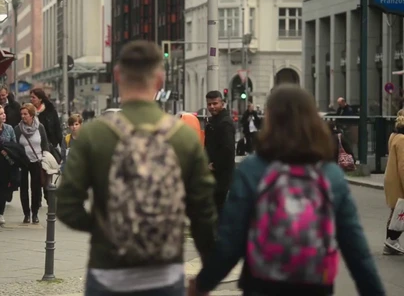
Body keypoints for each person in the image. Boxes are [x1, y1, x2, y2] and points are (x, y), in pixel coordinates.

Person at [191, 85, 385, 296]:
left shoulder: (253, 170)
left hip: (261, 284)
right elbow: (357, 251)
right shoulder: (330, 176)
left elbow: (230, 242)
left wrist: (203, 283)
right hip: (314, 284)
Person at [57, 40, 217, 296]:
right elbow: (204, 214)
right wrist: (208, 275)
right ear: (160, 80)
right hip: (165, 274)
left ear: (118, 75)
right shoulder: (184, 137)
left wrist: (103, 228)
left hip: (108, 272)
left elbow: (66, 204)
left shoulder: (94, 135)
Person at [14, 103, 50, 224]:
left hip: (37, 161)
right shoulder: (17, 129)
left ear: (32, 115)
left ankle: (35, 213)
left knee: (36, 188)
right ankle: (26, 214)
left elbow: (45, 144)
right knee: (24, 188)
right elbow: (15, 147)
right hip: (23, 162)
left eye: (26, 114)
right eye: (22, 114)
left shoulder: (40, 127)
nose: (23, 116)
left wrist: (45, 159)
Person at [204, 90, 236, 218]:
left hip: (221, 176)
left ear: (222, 103)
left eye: (215, 103)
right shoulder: (214, 121)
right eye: (209, 104)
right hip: (215, 175)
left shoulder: (225, 123)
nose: (212, 107)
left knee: (219, 209)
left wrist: (215, 165)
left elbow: (228, 149)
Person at [383, 112, 404, 255]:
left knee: (396, 212)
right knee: (399, 212)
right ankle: (391, 241)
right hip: (398, 179)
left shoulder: (394, 136)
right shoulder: (402, 139)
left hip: (392, 178)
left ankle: (390, 241)